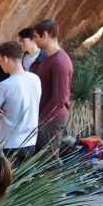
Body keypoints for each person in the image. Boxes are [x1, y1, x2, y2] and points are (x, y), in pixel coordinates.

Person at [0, 41, 41, 166]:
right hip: (30, 141)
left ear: (5, 58)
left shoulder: (4, 86)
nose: (0, 64)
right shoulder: (35, 79)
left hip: (9, 144)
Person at [32, 19, 73, 153]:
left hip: (51, 120)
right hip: (45, 117)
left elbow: (59, 99)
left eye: (35, 37)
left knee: (49, 161)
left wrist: (41, 119)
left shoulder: (59, 62)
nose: (34, 40)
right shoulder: (48, 58)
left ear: (45, 35)